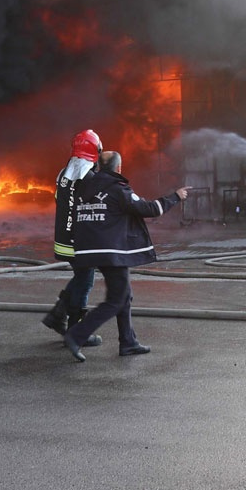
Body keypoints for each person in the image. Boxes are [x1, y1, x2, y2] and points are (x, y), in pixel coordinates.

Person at [62, 150, 188, 362]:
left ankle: (128, 342)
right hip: (111, 252)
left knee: (124, 295)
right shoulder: (118, 189)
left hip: (87, 250)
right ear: (118, 168)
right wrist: (175, 197)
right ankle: (76, 335)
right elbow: (148, 209)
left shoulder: (85, 187)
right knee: (116, 299)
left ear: (100, 167)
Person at [41, 130, 103, 348]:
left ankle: (58, 316)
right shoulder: (89, 177)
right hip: (81, 240)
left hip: (64, 240)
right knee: (85, 281)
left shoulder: (64, 174)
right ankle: (76, 332)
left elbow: (60, 199)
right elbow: (95, 208)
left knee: (81, 279)